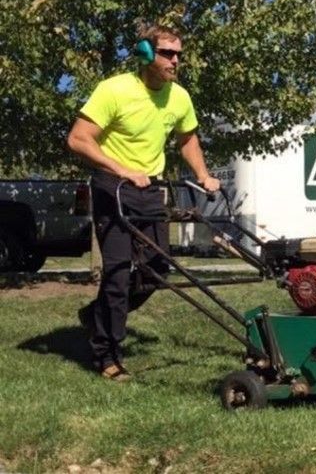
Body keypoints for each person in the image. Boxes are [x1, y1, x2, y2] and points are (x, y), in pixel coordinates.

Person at [67, 23, 220, 381]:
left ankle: (96, 314)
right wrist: (121, 169)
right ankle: (107, 354)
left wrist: (203, 174)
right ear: (147, 55)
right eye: (167, 53)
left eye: (179, 54)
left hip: (149, 189)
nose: (175, 60)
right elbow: (78, 139)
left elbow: (187, 139)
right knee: (119, 273)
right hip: (113, 186)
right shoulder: (114, 90)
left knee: (157, 268)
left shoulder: (179, 97)